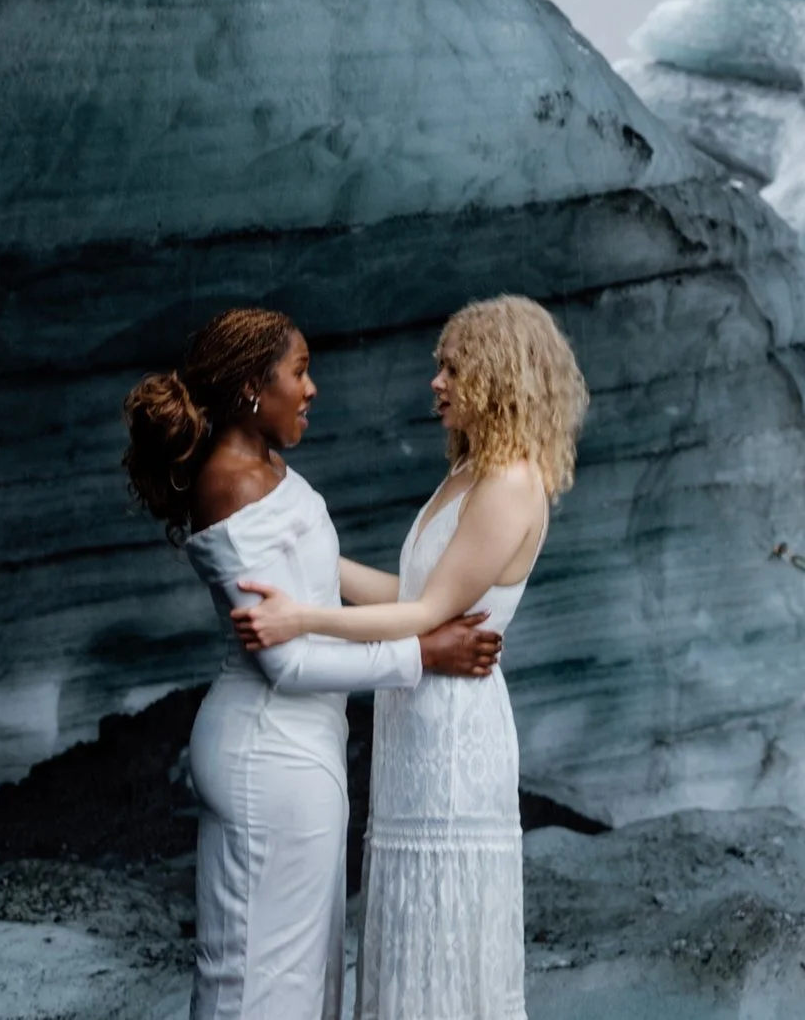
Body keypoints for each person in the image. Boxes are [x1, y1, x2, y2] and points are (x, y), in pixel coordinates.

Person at [124, 305, 504, 1020]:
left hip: (300, 749)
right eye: (299, 371)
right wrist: (421, 653)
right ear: (251, 386)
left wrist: (426, 605)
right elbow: (286, 664)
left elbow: (316, 586)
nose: (312, 388)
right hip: (268, 750)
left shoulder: (266, 465)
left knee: (300, 976)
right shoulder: (231, 482)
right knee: (260, 981)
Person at [231, 294, 588, 1020]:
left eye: (452, 368)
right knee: (408, 921)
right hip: (418, 716)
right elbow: (414, 592)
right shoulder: (470, 473)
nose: (436, 381)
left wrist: (302, 617)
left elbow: (426, 616)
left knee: (440, 928)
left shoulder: (511, 482)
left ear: (497, 374)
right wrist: (316, 559)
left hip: (454, 729)